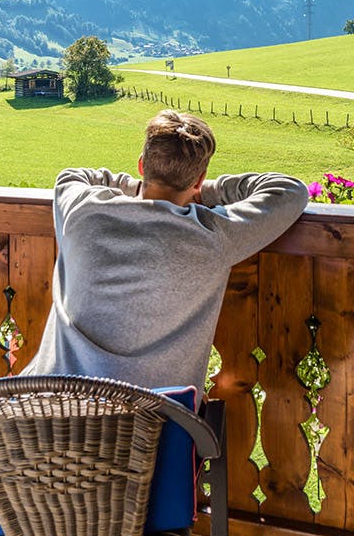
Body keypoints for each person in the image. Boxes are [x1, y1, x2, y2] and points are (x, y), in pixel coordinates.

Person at [23, 109, 309, 390]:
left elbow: (72, 176)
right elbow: (289, 190)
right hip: (151, 417)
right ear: (198, 179)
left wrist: (136, 187)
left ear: (141, 165)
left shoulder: (82, 211)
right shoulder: (210, 233)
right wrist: (202, 192)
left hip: (46, 407)